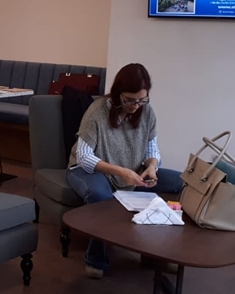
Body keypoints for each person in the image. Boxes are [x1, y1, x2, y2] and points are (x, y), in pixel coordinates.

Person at [66, 62, 183, 279]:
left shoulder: (147, 112)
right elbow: (83, 157)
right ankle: (96, 258)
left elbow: (152, 148)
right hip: (89, 170)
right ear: (118, 93)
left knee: (179, 182)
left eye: (141, 99)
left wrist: (151, 167)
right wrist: (120, 171)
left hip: (131, 171)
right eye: (130, 100)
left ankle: (153, 253)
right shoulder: (98, 112)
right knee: (100, 195)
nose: (136, 105)